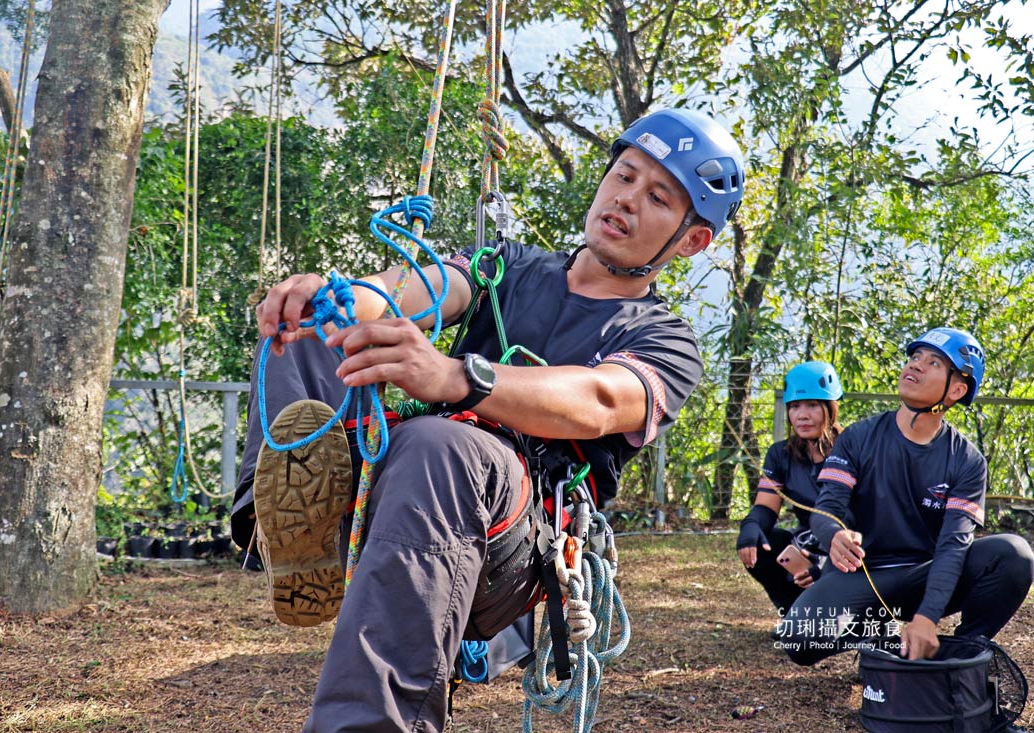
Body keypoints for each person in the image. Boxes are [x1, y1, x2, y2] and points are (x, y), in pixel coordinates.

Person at [229, 108, 745, 732]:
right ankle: (287, 528)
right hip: (405, 488)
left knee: (442, 443)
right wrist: (338, 294)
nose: (627, 199)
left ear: (690, 240)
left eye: (657, 197)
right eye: (625, 176)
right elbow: (416, 288)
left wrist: (458, 377)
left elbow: (602, 400)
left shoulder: (665, 339)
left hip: (512, 544)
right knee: (313, 326)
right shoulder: (507, 267)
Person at [780, 327, 1034, 666]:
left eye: (933, 363)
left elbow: (954, 544)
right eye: (915, 357)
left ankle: (963, 652)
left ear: (957, 389)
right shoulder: (859, 437)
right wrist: (833, 534)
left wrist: (928, 616)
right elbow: (827, 508)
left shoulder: (967, 460)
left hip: (924, 575)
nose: (915, 365)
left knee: (1014, 555)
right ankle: (878, 634)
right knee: (800, 637)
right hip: (862, 574)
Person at [737, 361, 844, 614]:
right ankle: (792, 610)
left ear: (831, 408)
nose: (802, 415)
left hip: (849, 543)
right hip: (806, 541)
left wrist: (825, 564)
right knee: (766, 542)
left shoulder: (852, 448)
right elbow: (765, 506)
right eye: (795, 406)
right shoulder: (780, 454)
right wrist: (751, 526)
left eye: (812, 405)